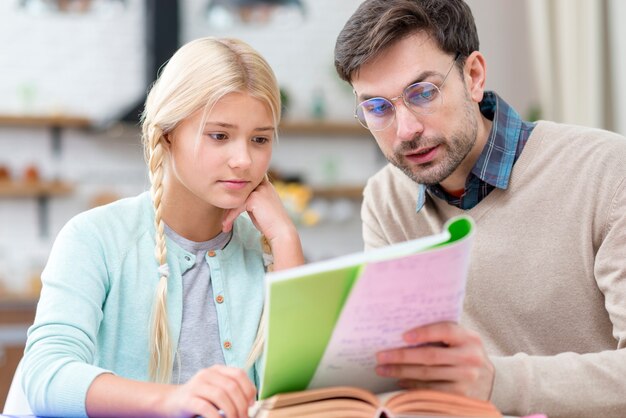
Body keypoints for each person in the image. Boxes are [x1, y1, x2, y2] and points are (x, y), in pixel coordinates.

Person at [334, 1, 626, 417]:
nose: (407, 131)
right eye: (378, 108)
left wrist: (496, 382)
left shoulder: (607, 171)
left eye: (423, 93)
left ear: (473, 76)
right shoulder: (387, 200)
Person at [19, 37, 304, 418]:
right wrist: (171, 400)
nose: (244, 160)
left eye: (260, 139)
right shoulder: (94, 238)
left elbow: (302, 395)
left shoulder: (270, 250)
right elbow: (45, 376)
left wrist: (285, 239)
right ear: (168, 133)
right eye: (219, 135)